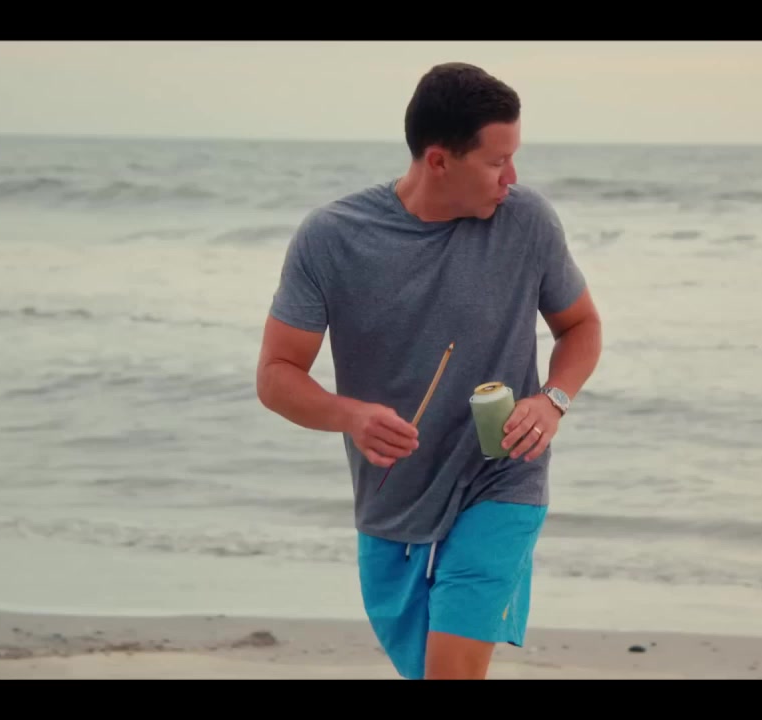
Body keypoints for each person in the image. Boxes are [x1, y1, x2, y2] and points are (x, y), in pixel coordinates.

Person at [255, 62, 601, 679]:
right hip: (393, 499)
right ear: (439, 160)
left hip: (503, 479)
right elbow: (277, 375)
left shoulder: (526, 222)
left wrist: (552, 400)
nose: (512, 178)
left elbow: (581, 326)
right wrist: (350, 416)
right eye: (497, 162)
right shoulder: (332, 238)